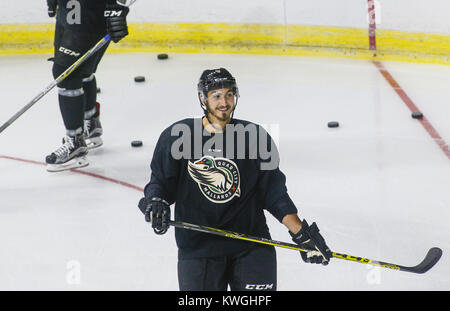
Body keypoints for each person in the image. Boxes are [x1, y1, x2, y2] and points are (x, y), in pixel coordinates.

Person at [138, 68, 332, 291]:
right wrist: (156, 202)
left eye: (229, 94)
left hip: (252, 245)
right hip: (198, 248)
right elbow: (160, 183)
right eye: (217, 96)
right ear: (203, 99)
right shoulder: (177, 137)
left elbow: (275, 194)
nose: (224, 102)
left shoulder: (255, 137)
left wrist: (301, 234)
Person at [45, 0, 134, 172]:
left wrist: (118, 7)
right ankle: (89, 124)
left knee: (66, 74)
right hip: (68, 11)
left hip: (89, 15)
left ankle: (75, 144)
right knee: (82, 71)